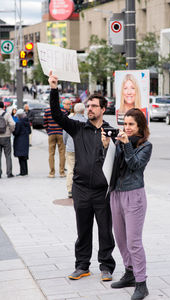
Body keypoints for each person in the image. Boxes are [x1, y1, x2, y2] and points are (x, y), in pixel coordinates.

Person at [48, 71, 115, 282]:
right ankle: (82, 266)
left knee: (105, 231)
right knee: (83, 230)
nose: (89, 109)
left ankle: (106, 266)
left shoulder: (111, 131)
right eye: (88, 106)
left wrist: (110, 144)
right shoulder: (78, 128)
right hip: (81, 189)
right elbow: (57, 115)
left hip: (102, 191)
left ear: (103, 109)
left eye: (94, 106)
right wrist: (53, 89)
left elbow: (118, 160)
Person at [101, 108, 152, 300]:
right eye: (125, 124)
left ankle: (141, 283)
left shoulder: (146, 146)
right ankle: (129, 273)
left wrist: (125, 145)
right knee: (121, 239)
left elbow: (135, 165)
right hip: (116, 194)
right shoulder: (118, 141)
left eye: (131, 124)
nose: (127, 128)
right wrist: (106, 145)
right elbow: (107, 164)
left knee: (133, 241)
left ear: (140, 126)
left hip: (134, 195)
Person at [63, 103, 87, 199]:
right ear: (83, 111)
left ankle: (70, 190)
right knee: (82, 168)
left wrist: (66, 144)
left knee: (70, 169)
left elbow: (64, 135)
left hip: (70, 148)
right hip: (82, 149)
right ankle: (81, 189)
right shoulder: (86, 121)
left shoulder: (69, 121)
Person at [43, 102, 66, 178]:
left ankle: (52, 173)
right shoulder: (63, 110)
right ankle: (62, 172)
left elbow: (45, 122)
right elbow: (66, 122)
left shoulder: (47, 110)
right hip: (61, 133)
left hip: (51, 133)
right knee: (62, 153)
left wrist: (48, 131)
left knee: (51, 153)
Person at [13, 109, 31, 176]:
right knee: (24, 157)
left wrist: (13, 131)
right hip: (25, 140)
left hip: (19, 141)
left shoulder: (19, 123)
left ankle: (22, 172)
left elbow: (16, 133)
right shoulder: (27, 122)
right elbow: (29, 132)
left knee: (20, 157)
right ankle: (25, 171)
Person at [0, 101, 15, 178]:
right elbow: (12, 124)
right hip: (6, 137)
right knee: (8, 155)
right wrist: (10, 131)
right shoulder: (7, 114)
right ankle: (9, 173)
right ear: (3, 107)